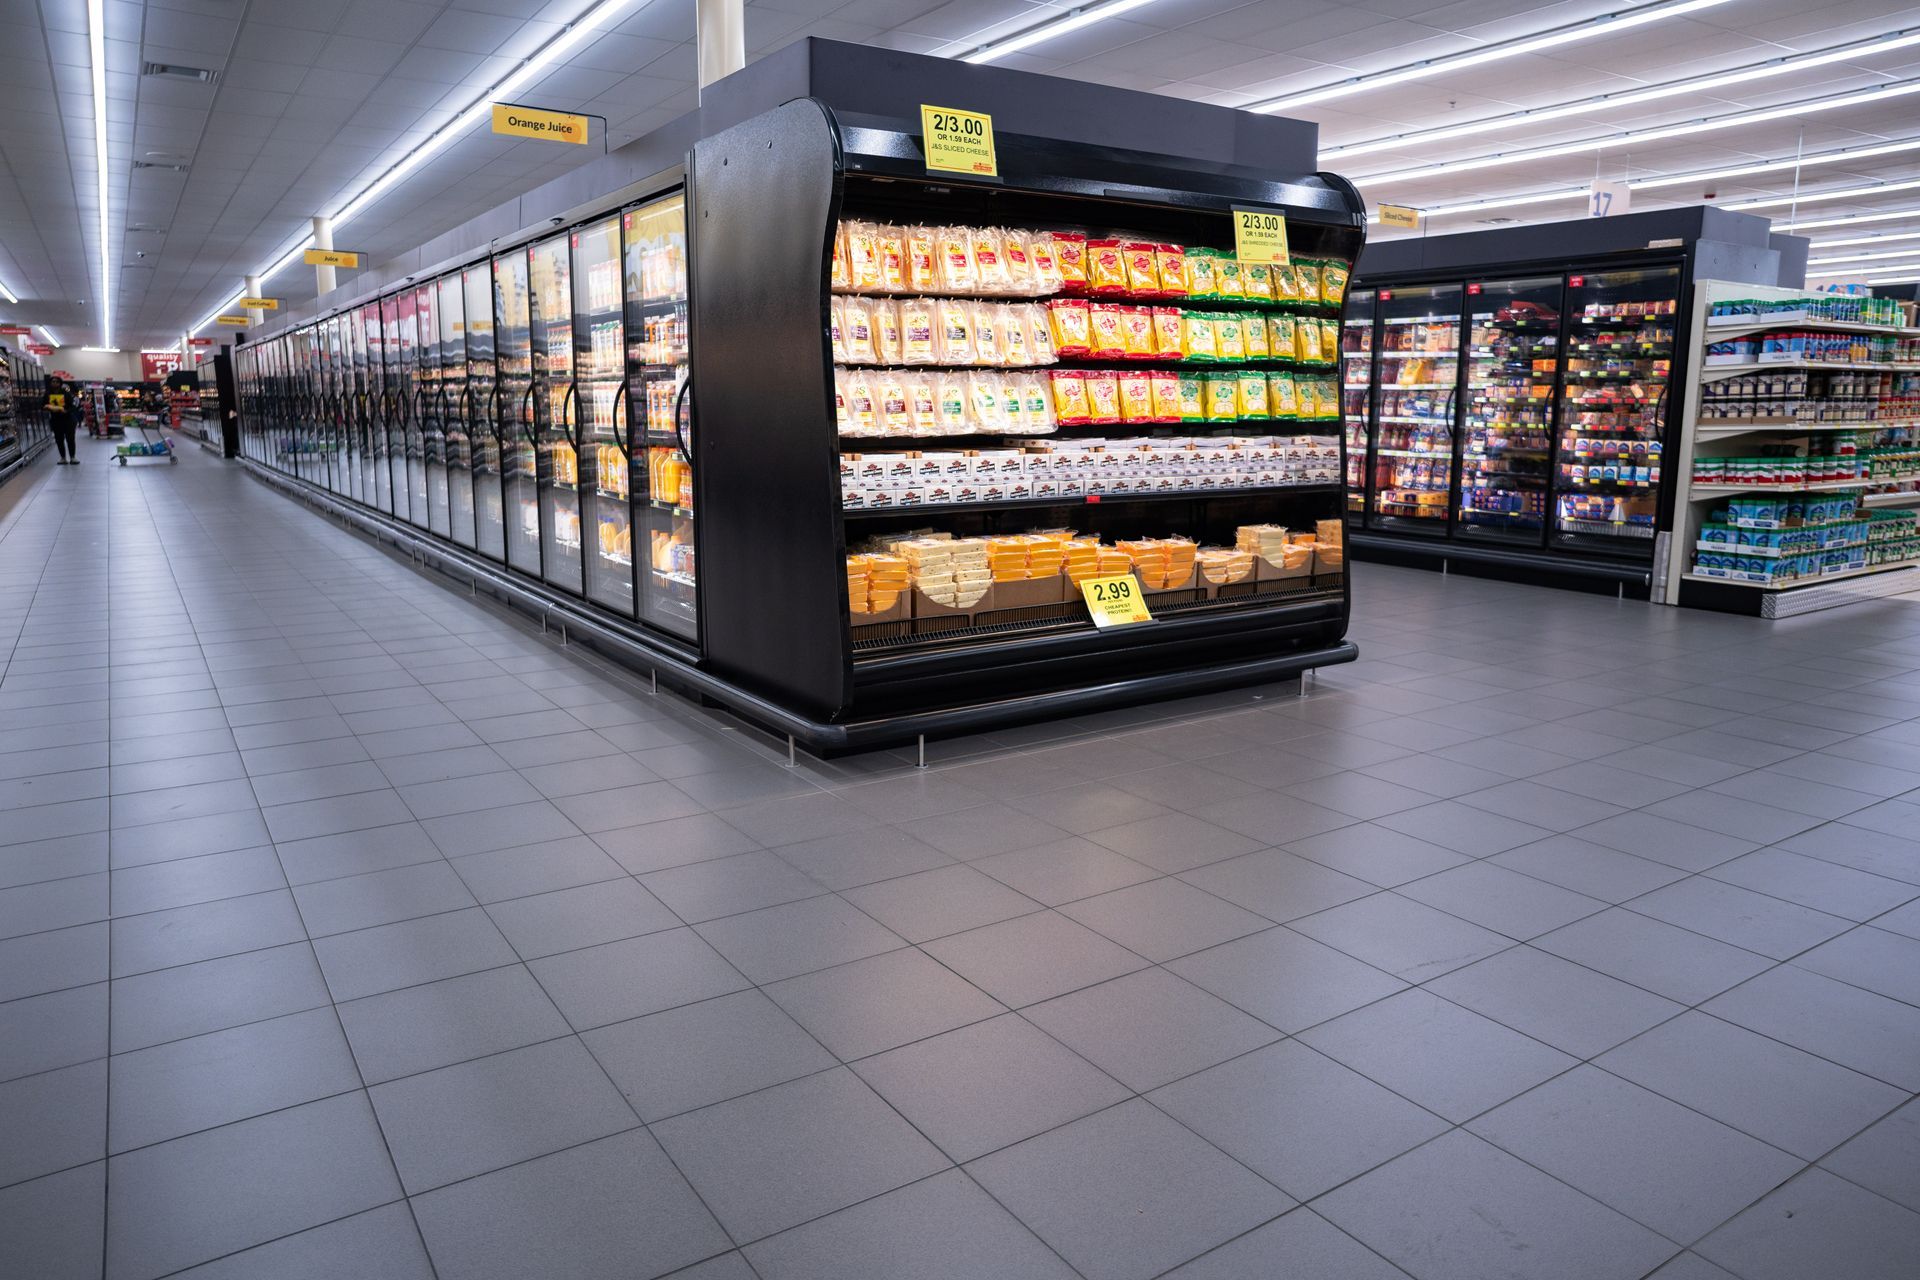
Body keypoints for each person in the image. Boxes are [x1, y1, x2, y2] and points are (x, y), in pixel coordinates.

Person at [45, 377, 77, 464]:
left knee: (70, 439)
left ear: (60, 383)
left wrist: (66, 411)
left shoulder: (66, 394)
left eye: (56, 382)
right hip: (56, 421)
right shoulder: (48, 394)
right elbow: (43, 405)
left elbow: (73, 406)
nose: (54, 383)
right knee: (59, 440)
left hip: (68, 420)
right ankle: (63, 458)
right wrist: (47, 407)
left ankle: (72, 457)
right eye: (53, 382)